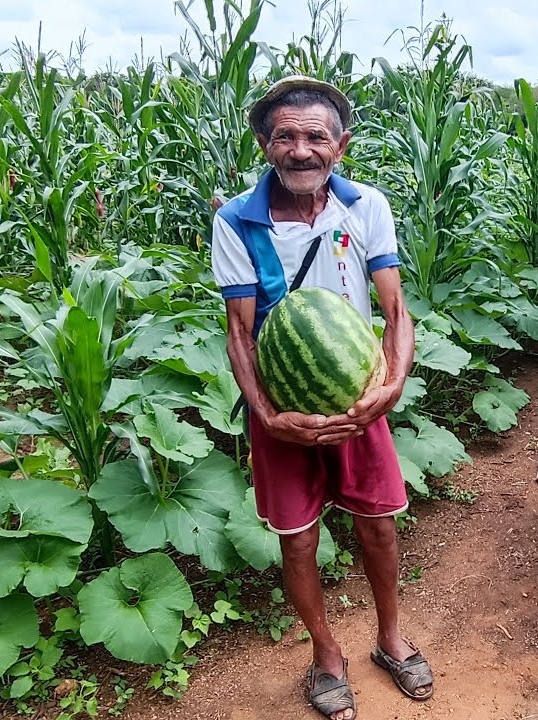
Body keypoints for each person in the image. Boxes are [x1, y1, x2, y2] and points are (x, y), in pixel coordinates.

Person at [211, 76, 433, 720]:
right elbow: (241, 332)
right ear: (264, 143)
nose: (300, 149)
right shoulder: (236, 220)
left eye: (316, 136)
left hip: (361, 394)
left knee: (379, 525)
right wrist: (269, 415)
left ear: (340, 147)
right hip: (283, 409)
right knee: (298, 539)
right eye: (286, 136)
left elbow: (395, 311)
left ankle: (391, 639)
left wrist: (388, 388)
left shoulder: (365, 206)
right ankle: (327, 655)